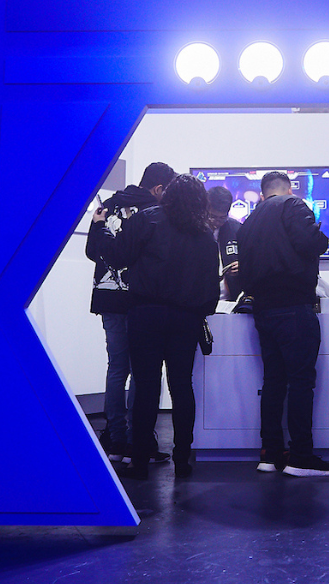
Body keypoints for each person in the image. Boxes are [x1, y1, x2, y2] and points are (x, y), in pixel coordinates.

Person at [86, 173, 220, 480]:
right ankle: (183, 459)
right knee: (182, 387)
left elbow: (118, 256)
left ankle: (140, 460)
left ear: (168, 194)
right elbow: (211, 289)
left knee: (146, 387)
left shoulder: (148, 219)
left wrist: (102, 229)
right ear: (202, 201)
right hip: (186, 319)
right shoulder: (204, 234)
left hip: (146, 314)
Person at [236, 170, 329, 477]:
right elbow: (313, 243)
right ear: (289, 188)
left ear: (263, 190)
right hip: (294, 306)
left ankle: (269, 454)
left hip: (263, 309)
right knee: (300, 382)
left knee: (273, 382)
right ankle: (300, 457)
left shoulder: (249, 222)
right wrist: (320, 234)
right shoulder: (292, 206)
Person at [84, 161, 176, 464]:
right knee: (144, 371)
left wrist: (100, 228)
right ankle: (141, 439)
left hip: (108, 297)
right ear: (159, 188)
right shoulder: (154, 214)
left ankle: (115, 436)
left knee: (117, 367)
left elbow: (90, 252)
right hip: (140, 298)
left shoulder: (109, 206)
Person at [207, 186, 242, 301]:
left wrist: (242, 265)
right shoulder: (194, 230)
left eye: (222, 218)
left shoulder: (237, 229)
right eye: (212, 216)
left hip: (231, 300)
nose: (216, 222)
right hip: (201, 299)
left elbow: (252, 259)